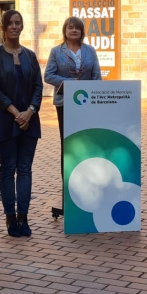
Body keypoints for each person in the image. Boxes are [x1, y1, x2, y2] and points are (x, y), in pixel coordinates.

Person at [0, 10, 43, 237]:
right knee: (8, 169)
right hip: (5, 120)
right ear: (3, 27)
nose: (14, 27)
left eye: (18, 23)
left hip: (29, 121)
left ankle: (24, 218)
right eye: (10, 23)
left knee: (26, 169)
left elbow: (38, 87)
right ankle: (10, 217)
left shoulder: (30, 56)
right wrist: (15, 112)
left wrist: (29, 112)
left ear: (22, 26)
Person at [43, 16, 102, 208]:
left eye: (77, 28)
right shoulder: (56, 52)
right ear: (65, 30)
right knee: (68, 145)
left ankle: (87, 184)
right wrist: (70, 84)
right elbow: (49, 75)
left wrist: (93, 96)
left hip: (88, 106)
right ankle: (68, 186)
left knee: (87, 143)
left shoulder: (90, 51)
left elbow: (97, 77)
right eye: (70, 27)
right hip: (65, 105)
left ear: (82, 31)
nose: (74, 30)